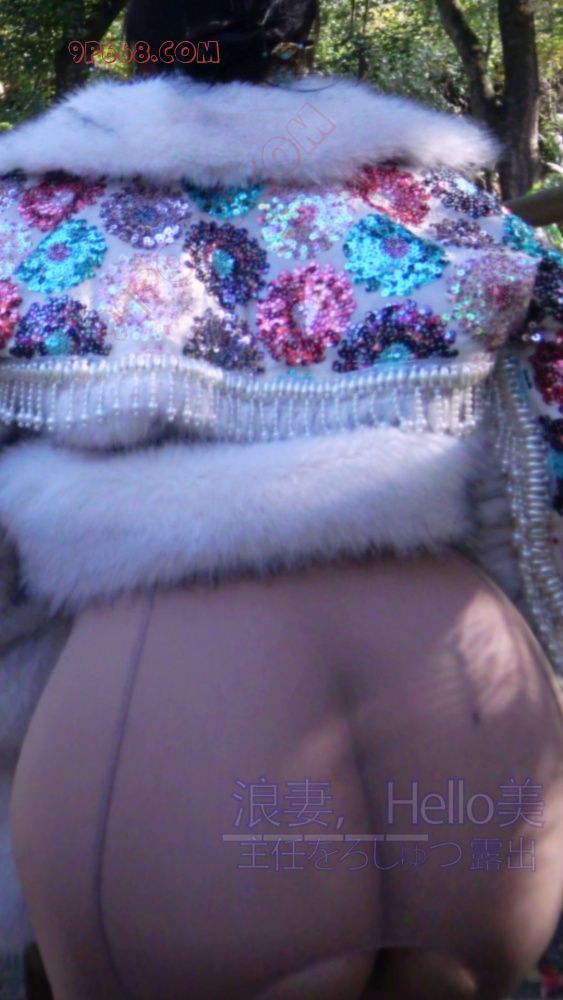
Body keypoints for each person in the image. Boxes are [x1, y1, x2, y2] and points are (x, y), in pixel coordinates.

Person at [0, 1, 562, 996]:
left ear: (138, 41)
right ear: (298, 42)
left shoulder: (28, 223)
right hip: (473, 728)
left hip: (182, 739)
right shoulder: (444, 209)